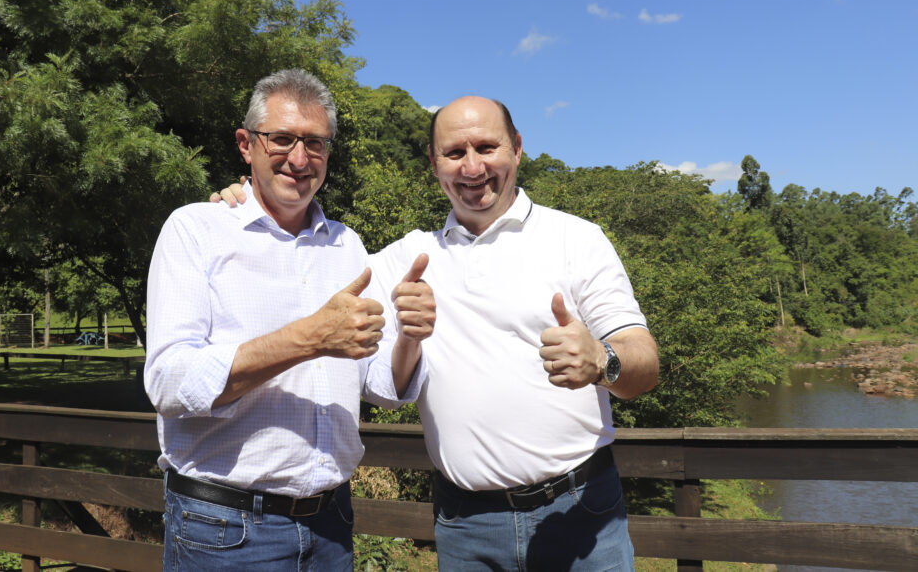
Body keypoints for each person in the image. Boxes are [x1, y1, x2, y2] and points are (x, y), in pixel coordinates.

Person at [217, 94, 659, 570]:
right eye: (454, 153)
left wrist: (602, 360)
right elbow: (308, 265)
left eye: (487, 147)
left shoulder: (577, 239)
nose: (472, 167)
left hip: (580, 511)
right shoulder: (406, 257)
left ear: (517, 149)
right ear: (434, 164)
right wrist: (244, 204)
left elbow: (644, 365)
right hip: (466, 526)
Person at [145, 68, 435, 571]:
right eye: (281, 139)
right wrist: (308, 338)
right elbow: (170, 384)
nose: (299, 160)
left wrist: (409, 336)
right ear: (246, 144)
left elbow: (381, 385)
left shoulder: (347, 245)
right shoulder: (195, 230)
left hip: (331, 526)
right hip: (225, 529)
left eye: (315, 144)